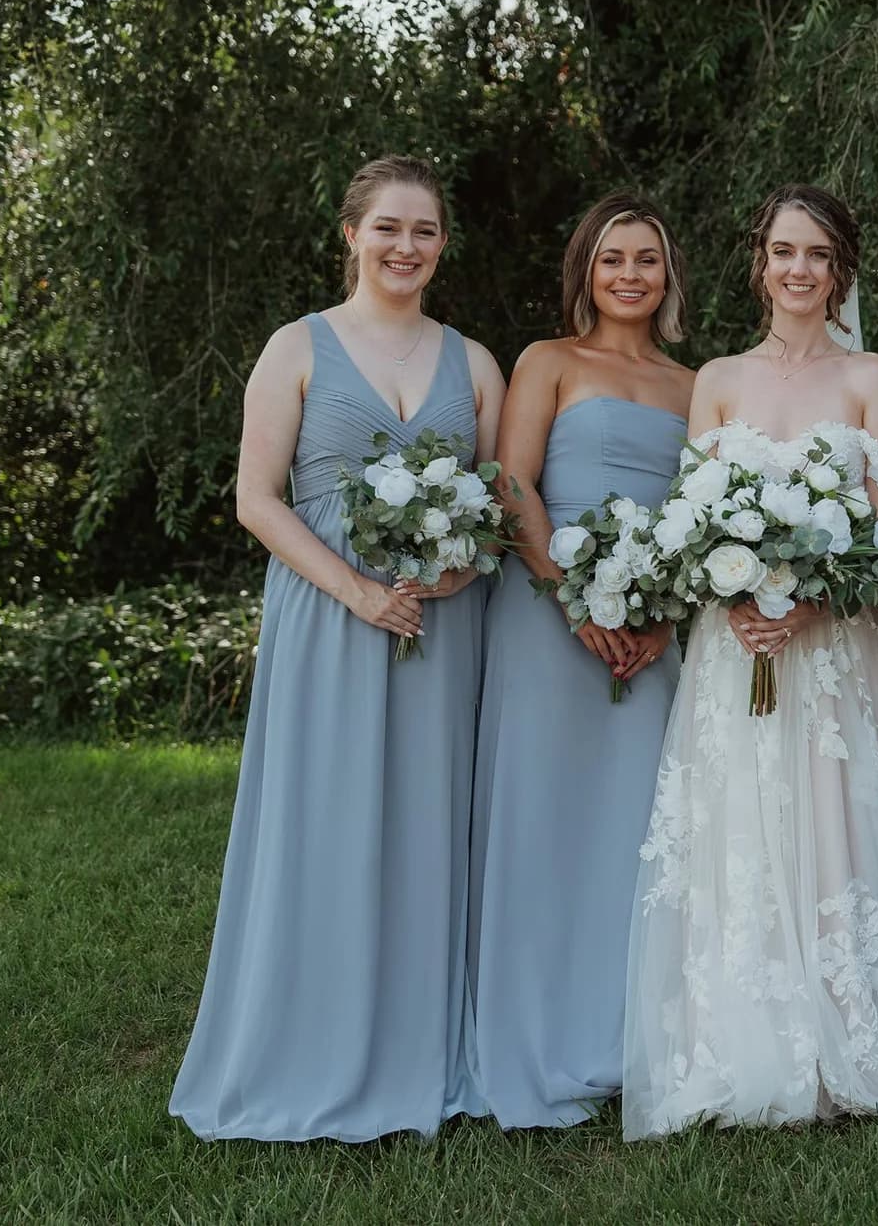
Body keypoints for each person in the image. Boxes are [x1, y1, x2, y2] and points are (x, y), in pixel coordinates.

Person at [170, 155, 506, 1141]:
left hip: (441, 627)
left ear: (444, 244)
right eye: (389, 228)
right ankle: (304, 1043)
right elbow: (255, 498)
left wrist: (454, 572)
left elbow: (490, 505)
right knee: (323, 824)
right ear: (350, 234)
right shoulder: (297, 346)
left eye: (426, 231)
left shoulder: (473, 361)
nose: (407, 247)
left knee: (426, 826)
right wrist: (360, 590)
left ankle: (415, 1043)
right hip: (328, 616)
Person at [620, 184, 878, 1139]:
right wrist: (734, 594)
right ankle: (733, 1041)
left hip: (831, 641)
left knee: (830, 815)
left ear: (841, 270)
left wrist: (806, 598)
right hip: (734, 639)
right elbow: (689, 520)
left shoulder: (872, 375)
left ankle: (844, 1044)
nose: (799, 270)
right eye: (784, 251)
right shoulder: (714, 376)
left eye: (819, 255)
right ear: (761, 260)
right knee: (738, 822)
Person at [469, 193, 695, 1127]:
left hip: (651, 634)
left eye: (647, 260)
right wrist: (573, 594)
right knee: (543, 816)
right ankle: (531, 1030)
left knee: (638, 825)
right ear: (586, 272)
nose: (629, 276)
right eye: (613, 260)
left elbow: (703, 512)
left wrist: (661, 615)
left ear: (668, 276)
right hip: (547, 618)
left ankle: (626, 1032)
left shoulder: (694, 383)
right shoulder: (548, 362)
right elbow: (513, 481)